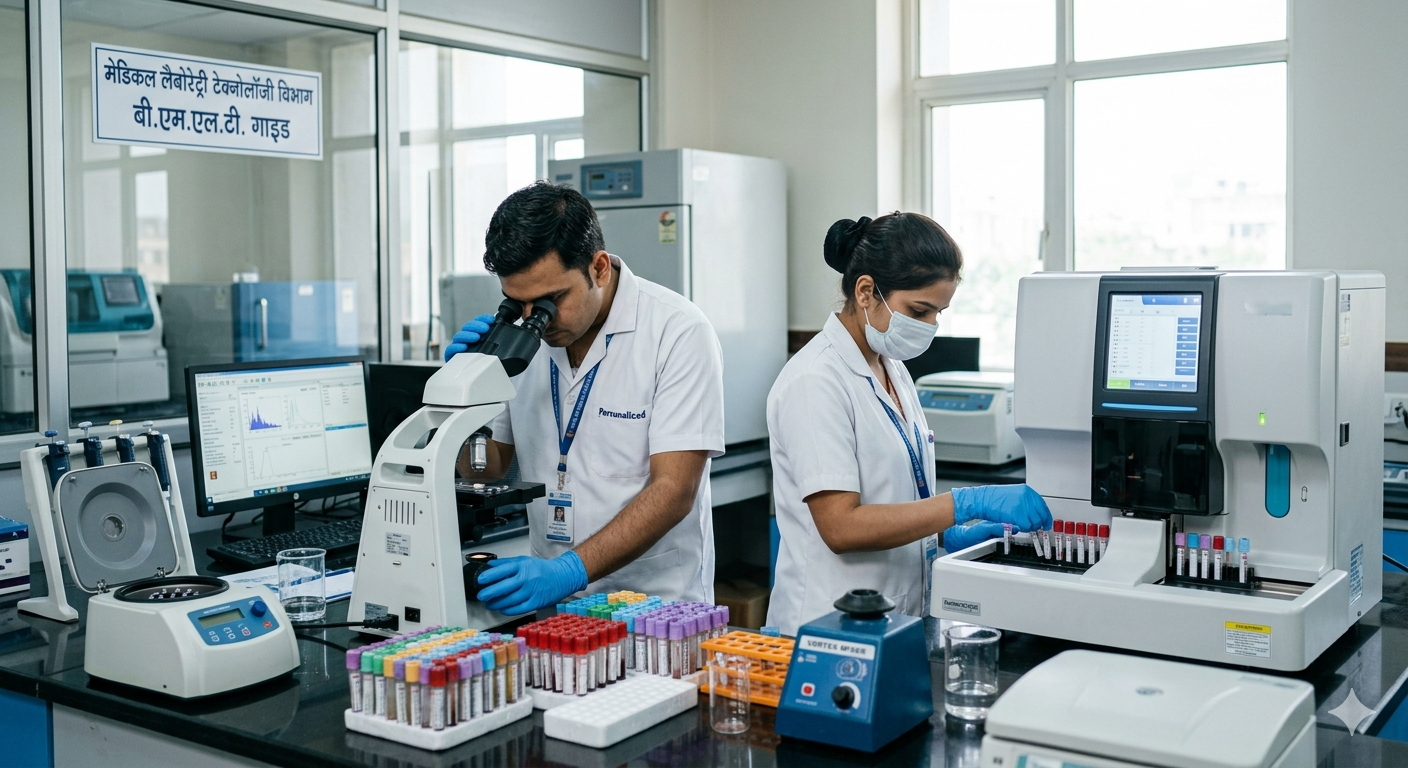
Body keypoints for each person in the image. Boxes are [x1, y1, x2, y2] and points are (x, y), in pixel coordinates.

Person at [446, 181, 725, 615]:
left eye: (551, 300)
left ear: (598, 267)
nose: (535, 319)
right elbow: (486, 469)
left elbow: (674, 490)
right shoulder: (517, 341)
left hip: (654, 609)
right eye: (516, 303)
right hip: (552, 608)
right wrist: (465, 401)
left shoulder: (677, 332)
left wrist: (570, 570)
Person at [766, 213, 1052, 635]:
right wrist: (964, 504)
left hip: (895, 617)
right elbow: (840, 526)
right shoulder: (815, 381)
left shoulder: (892, 368)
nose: (930, 326)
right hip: (829, 626)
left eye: (939, 312)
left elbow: (896, 496)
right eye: (919, 310)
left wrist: (943, 538)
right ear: (866, 291)